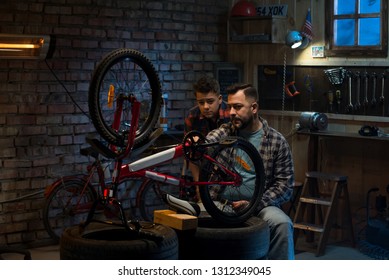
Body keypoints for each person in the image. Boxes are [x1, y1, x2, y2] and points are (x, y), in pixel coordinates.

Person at [205, 83, 295, 260]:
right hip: (220, 203)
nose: (231, 112)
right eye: (229, 106)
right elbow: (211, 139)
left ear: (254, 108)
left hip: (261, 206)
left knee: (282, 224)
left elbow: (285, 186)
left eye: (237, 107)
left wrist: (254, 204)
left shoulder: (276, 141)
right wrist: (199, 142)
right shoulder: (226, 132)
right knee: (188, 220)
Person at [184, 75, 230, 202]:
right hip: (204, 165)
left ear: (220, 99)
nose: (205, 107)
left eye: (210, 101)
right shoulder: (192, 116)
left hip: (229, 166)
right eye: (201, 102)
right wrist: (199, 186)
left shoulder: (230, 114)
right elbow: (191, 155)